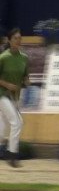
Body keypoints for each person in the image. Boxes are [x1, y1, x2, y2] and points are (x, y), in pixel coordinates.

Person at [0, 28, 30, 167]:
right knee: (17, 122)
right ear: (9, 40)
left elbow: (25, 76)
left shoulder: (24, 58)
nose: (18, 40)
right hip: (2, 95)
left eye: (20, 38)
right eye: (16, 38)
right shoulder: (3, 57)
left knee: (3, 128)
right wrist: (7, 85)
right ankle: (12, 156)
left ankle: (7, 152)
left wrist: (26, 82)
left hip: (15, 97)